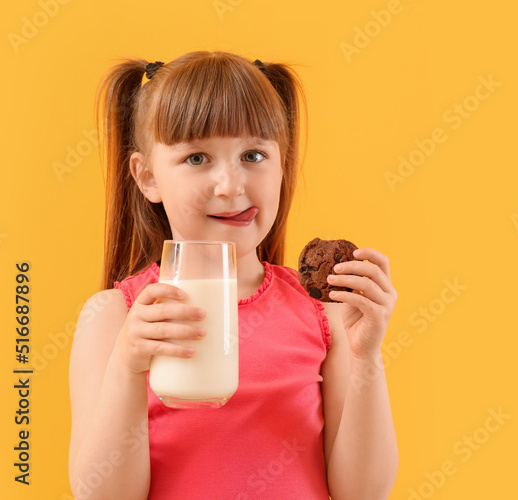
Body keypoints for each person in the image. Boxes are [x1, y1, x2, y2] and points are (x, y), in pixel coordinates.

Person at [67, 51, 398, 499]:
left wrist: (367, 357)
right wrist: (127, 366)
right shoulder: (114, 319)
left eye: (253, 155)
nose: (231, 185)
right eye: (197, 158)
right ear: (147, 177)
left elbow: (363, 492)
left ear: (283, 165)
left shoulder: (327, 315)